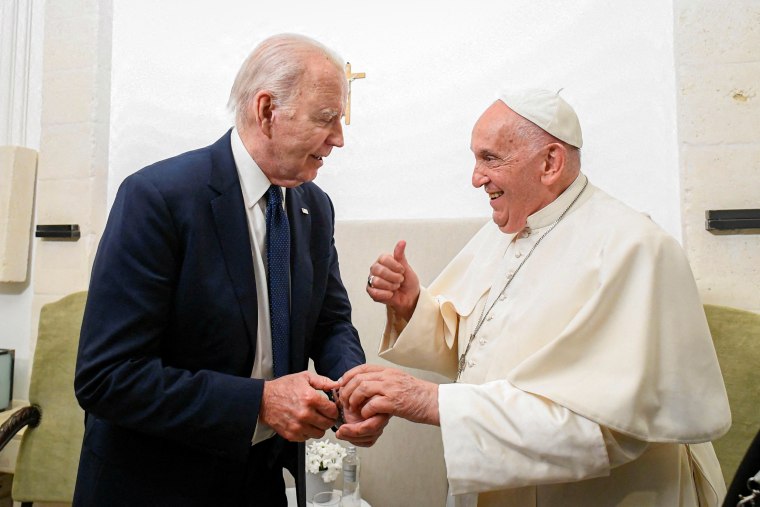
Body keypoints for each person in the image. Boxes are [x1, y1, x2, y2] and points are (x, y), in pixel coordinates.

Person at [336, 89, 732, 506]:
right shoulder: (503, 232)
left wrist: (431, 401)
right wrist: (411, 305)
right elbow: (476, 350)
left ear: (550, 162)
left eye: (490, 158)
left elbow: (607, 427)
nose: (476, 177)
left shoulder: (635, 248)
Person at [73, 34, 386, 507]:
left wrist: (352, 385)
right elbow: (108, 377)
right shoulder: (157, 199)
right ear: (266, 112)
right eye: (326, 119)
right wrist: (260, 402)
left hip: (259, 480)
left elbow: (330, 322)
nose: (339, 138)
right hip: (156, 484)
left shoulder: (314, 207)